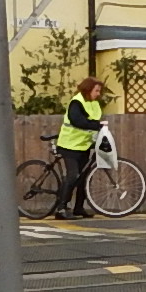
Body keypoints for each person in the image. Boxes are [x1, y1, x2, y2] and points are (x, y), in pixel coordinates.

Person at [52, 78, 107, 218]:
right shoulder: (77, 102)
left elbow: (94, 122)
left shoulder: (94, 103)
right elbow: (77, 121)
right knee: (73, 175)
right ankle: (61, 209)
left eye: (99, 91)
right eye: (96, 90)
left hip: (84, 145)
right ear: (88, 90)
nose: (98, 94)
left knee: (83, 177)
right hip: (69, 145)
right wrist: (97, 125)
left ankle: (79, 208)